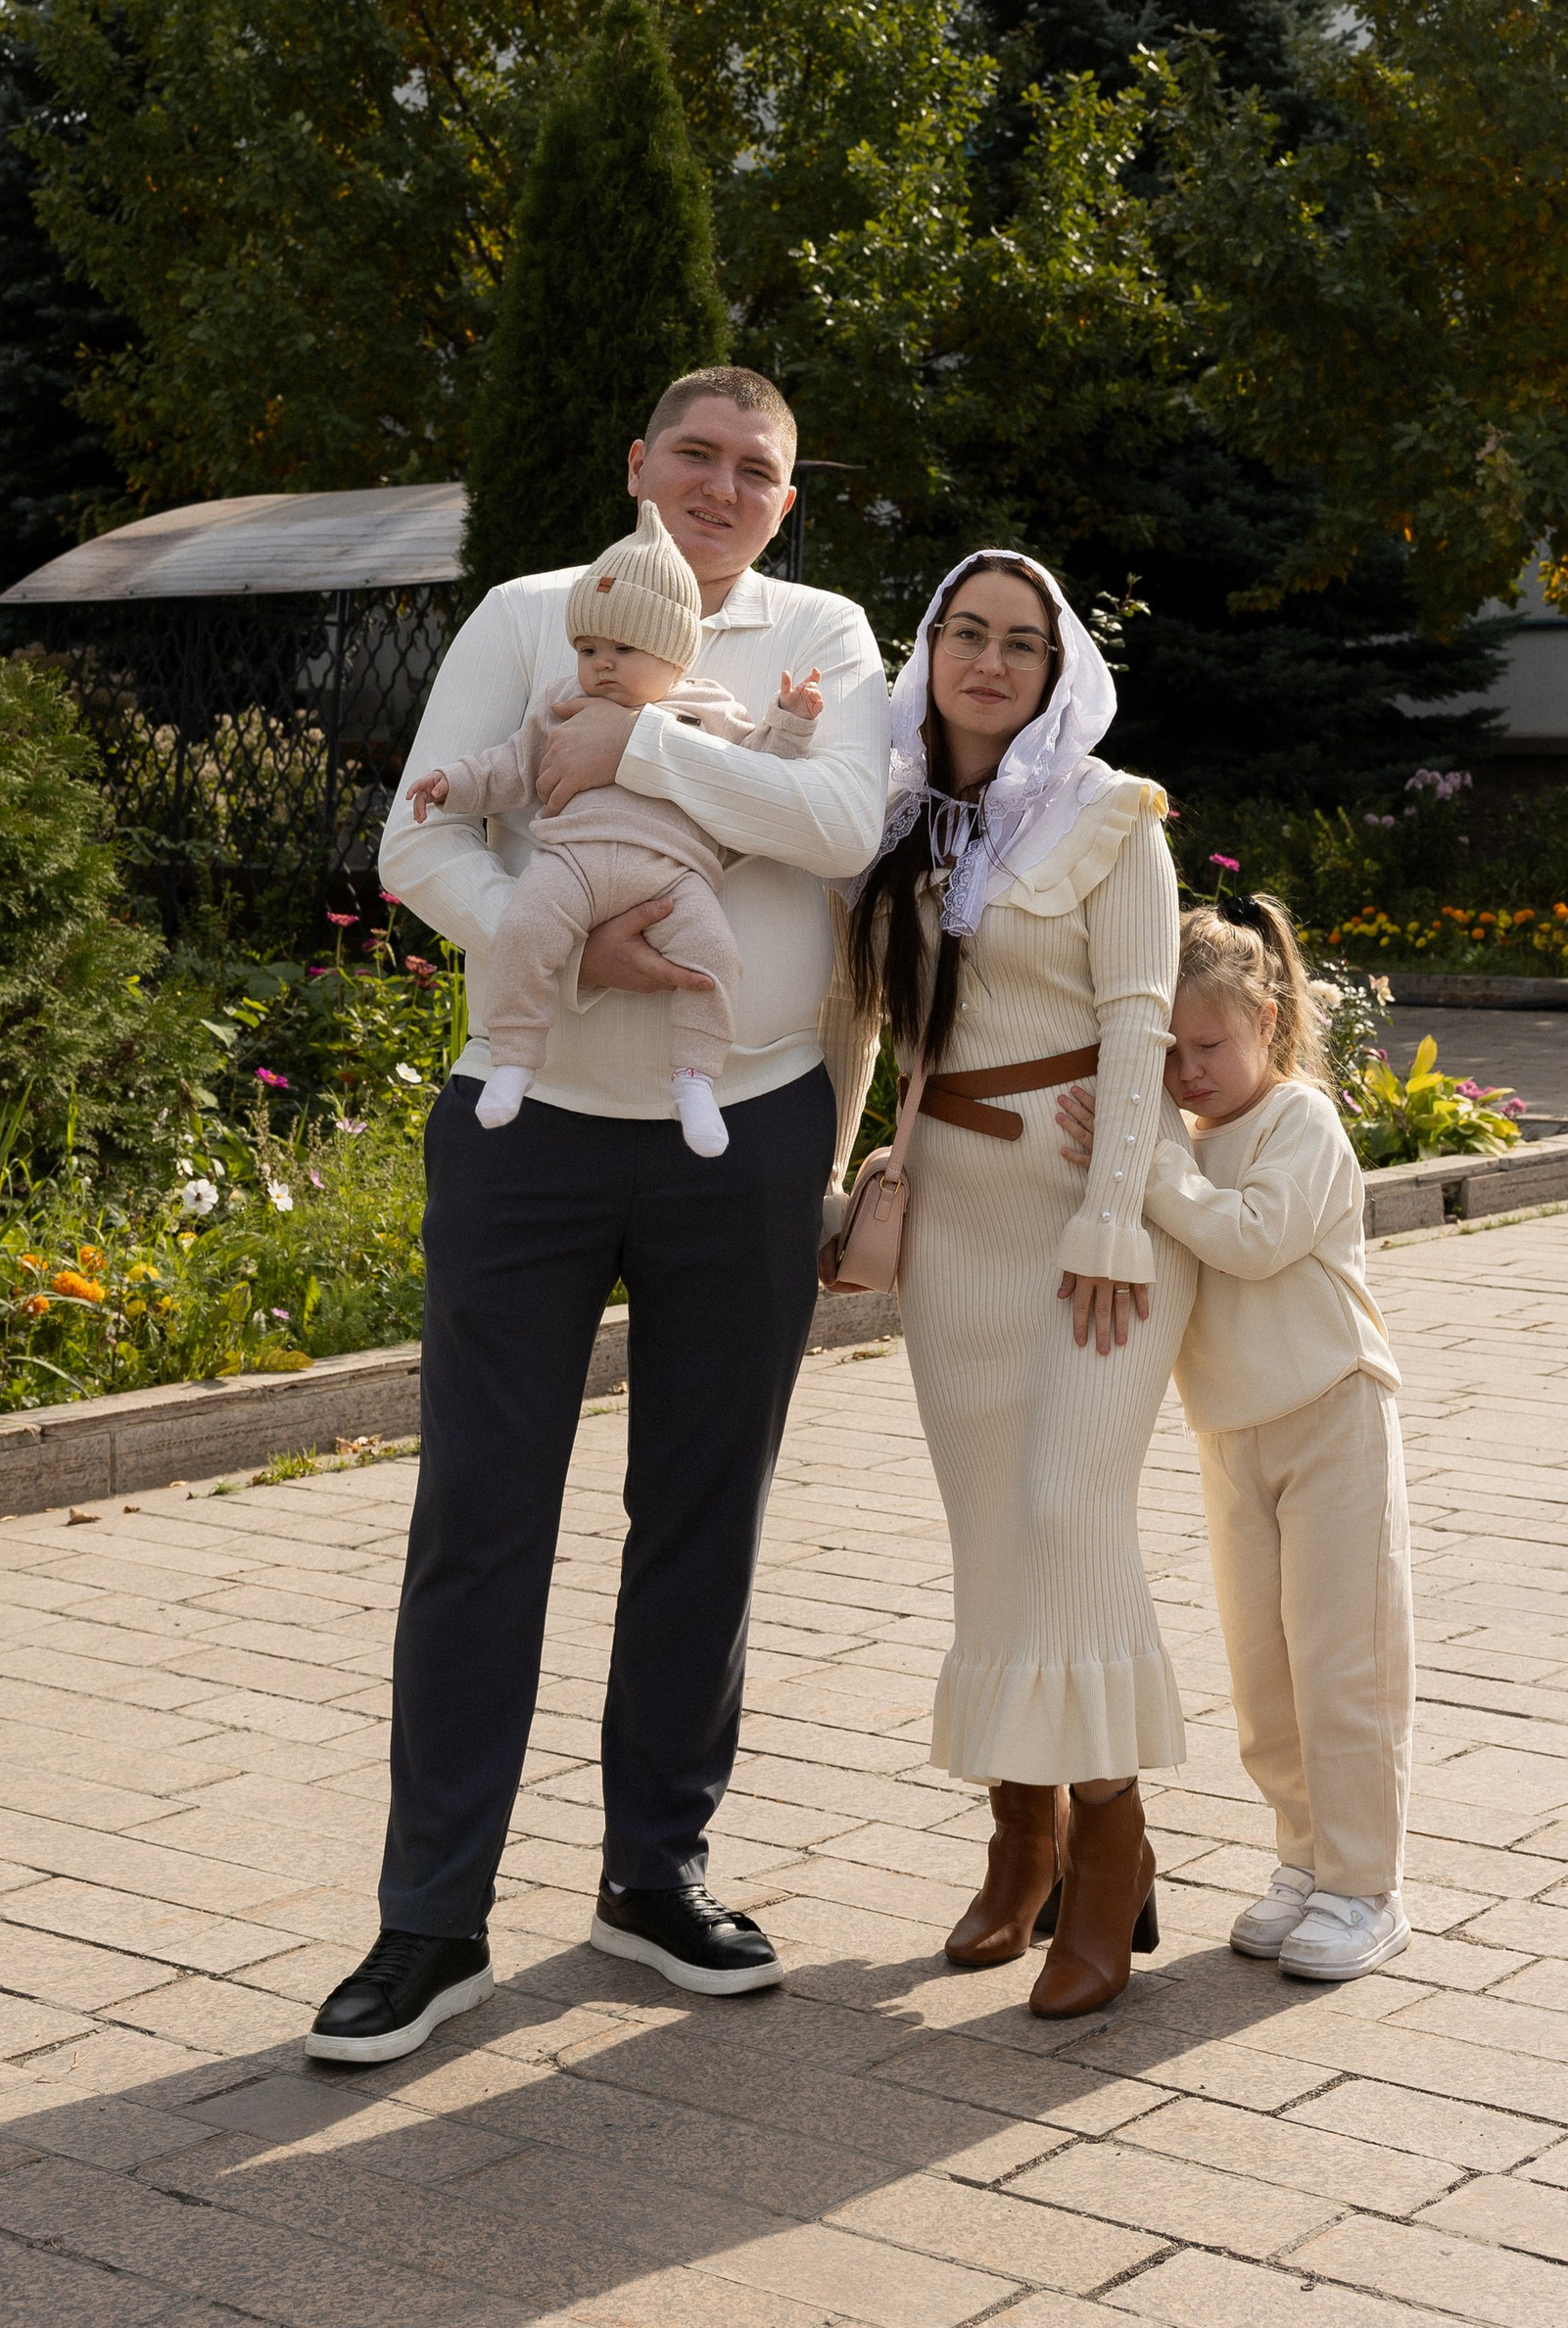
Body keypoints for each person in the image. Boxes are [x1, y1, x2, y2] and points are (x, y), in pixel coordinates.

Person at [308, 369, 890, 2065]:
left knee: (703, 1517)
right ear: (638, 464)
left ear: (787, 501)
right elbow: (423, 839)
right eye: (693, 455)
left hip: (749, 1130)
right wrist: (557, 949)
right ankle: (431, 1923)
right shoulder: (523, 614)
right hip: (529, 1134)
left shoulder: (824, 639)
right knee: (481, 1520)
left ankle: (654, 1876)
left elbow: (841, 825)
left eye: (756, 469)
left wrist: (632, 744)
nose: (721, 486)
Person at [829, 550, 1194, 2020]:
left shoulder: (1114, 818)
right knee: (993, 1531)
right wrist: (838, 1187)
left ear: (1057, 671)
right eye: (964, 634)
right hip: (959, 1228)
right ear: (928, 653)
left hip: (1092, 1224)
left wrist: (1112, 1216)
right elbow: (861, 1019)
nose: (989, 661)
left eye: (1021, 643)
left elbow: (1140, 1017)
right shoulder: (893, 820)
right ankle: (1019, 1837)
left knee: (1064, 1513)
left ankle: (1113, 1848)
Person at [1063, 894, 1412, 1984]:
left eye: (1207, 1046)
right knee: (1264, 1678)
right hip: (1230, 1433)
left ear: (1266, 1019)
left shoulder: (1300, 1121)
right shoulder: (1182, 1137)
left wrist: (1145, 1167)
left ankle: (1365, 1886)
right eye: (1166, 1053)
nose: (1187, 1071)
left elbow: (1253, 1239)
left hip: (1331, 1416)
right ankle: (1305, 1862)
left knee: (1342, 1664)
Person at [404, 498, 824, 1158]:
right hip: (570, 862)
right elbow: (510, 766)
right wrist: (452, 783)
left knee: (716, 958)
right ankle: (514, 1057)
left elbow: (759, 768)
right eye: (588, 648)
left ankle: (694, 1079)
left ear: (674, 653)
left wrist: (791, 722)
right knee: (524, 929)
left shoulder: (708, 710)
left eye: (624, 649)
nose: (602, 664)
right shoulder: (561, 704)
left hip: (675, 876)